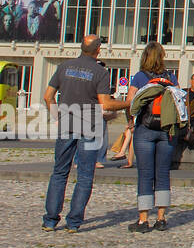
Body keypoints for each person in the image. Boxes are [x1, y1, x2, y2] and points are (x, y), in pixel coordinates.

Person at [42, 35, 128, 233]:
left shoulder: (64, 67)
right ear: (98, 50)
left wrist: (57, 117)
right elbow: (105, 104)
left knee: (59, 172)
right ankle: (73, 222)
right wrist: (129, 104)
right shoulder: (100, 72)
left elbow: (48, 97)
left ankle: (50, 220)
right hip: (90, 126)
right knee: (85, 175)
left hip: (66, 125)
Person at [127, 42, 183, 231]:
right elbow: (180, 101)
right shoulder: (170, 77)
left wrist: (130, 122)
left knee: (145, 173)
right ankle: (161, 218)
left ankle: (143, 220)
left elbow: (130, 102)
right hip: (166, 130)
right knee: (163, 173)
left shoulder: (141, 77)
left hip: (145, 129)